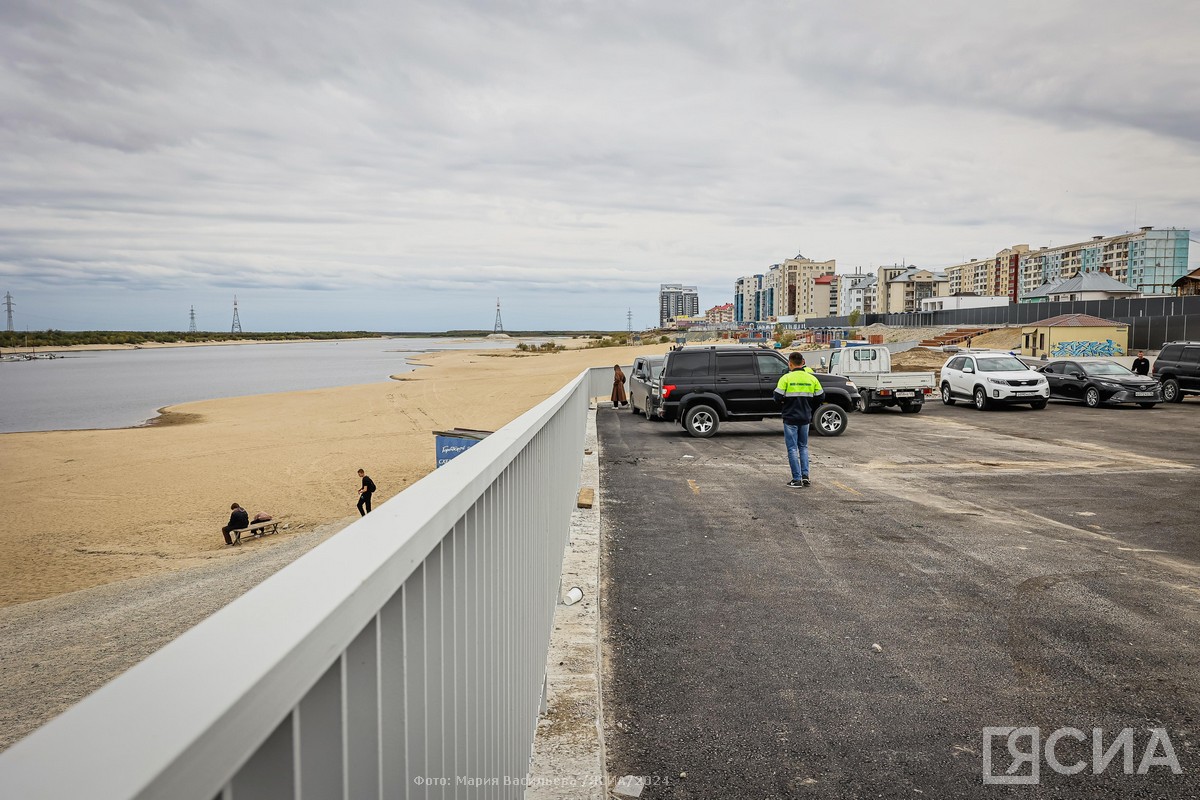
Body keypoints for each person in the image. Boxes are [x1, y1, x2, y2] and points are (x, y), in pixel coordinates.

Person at [774, 352, 824, 488]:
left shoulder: (786, 378)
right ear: (803, 362)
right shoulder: (811, 378)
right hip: (805, 417)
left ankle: (796, 479)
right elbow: (820, 397)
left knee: (792, 448)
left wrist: (785, 402)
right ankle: (805, 477)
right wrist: (810, 406)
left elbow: (777, 397)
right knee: (803, 447)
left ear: (790, 364)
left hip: (790, 417)